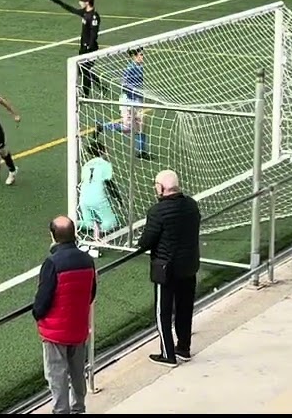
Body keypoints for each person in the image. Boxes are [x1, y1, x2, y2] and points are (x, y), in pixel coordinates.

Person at [32, 216, 97, 415]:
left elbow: (43, 299)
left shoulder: (52, 263)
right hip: (78, 328)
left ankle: (61, 411)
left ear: (53, 236)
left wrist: (37, 314)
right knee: (78, 371)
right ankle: (79, 408)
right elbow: (91, 292)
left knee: (57, 374)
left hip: (55, 331)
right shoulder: (87, 260)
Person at [137, 169, 202, 366]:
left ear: (161, 188)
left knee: (163, 312)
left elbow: (147, 241)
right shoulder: (191, 205)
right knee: (185, 308)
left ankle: (168, 354)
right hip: (189, 265)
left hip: (166, 269)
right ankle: (183, 347)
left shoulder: (157, 212)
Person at [98, 48, 151, 160]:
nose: (143, 57)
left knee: (142, 125)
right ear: (134, 56)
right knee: (127, 128)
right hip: (128, 101)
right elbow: (124, 85)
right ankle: (102, 126)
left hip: (136, 100)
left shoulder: (140, 67)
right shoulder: (130, 69)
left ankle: (141, 152)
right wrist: (130, 104)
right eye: (141, 55)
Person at [49, 0, 103, 98]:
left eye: (81, 1)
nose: (79, 2)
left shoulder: (94, 17)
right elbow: (71, 9)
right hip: (83, 46)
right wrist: (58, 1)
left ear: (87, 2)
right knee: (83, 70)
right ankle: (100, 87)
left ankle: (86, 94)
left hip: (90, 48)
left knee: (84, 70)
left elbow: (94, 33)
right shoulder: (84, 12)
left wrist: (89, 47)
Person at [78, 140, 121, 240]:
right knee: (112, 223)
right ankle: (99, 228)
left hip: (83, 199)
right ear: (103, 150)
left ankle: (74, 224)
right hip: (98, 199)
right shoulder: (105, 164)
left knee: (87, 222)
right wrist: (118, 199)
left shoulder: (86, 165)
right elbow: (110, 184)